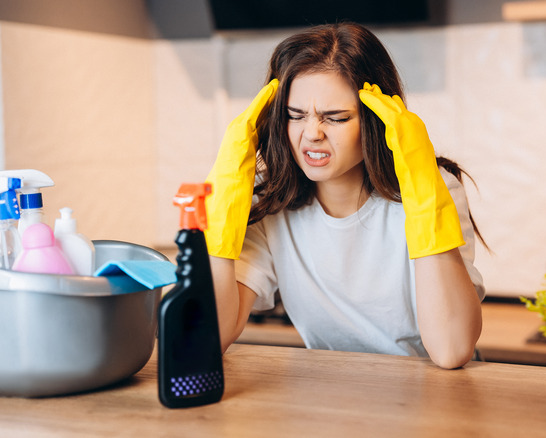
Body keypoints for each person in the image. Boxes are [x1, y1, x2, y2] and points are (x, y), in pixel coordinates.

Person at [204, 22, 485, 369]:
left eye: (334, 118)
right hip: (336, 399)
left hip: (434, 397)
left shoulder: (430, 187)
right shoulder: (273, 201)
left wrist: (424, 192)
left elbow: (451, 349)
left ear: (374, 119)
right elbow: (207, 339)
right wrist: (221, 208)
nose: (311, 134)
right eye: (295, 115)